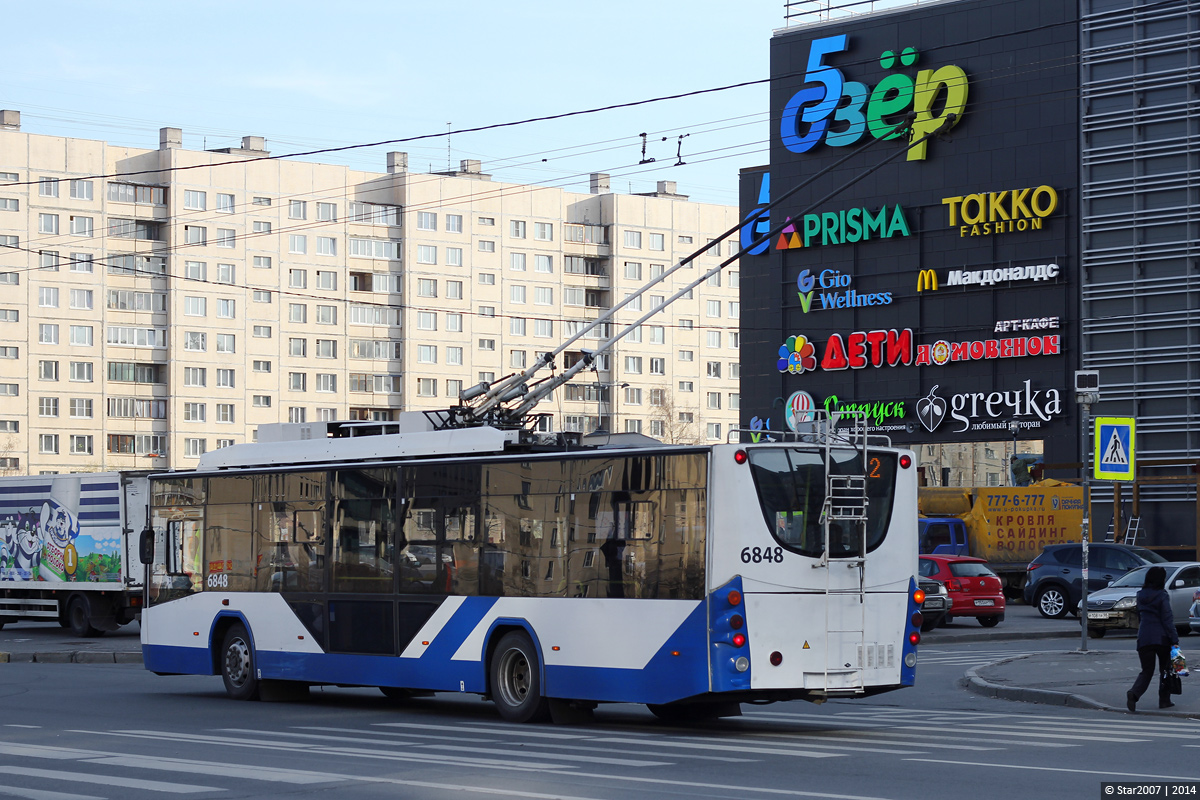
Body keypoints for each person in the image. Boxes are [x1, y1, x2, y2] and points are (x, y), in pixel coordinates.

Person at [1127, 566, 1179, 711]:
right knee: (1165, 670)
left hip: (1144, 638)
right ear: (1160, 580)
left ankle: (1134, 693)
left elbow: (1139, 616)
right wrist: (1174, 639)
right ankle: (1164, 700)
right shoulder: (1162, 595)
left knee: (1146, 670)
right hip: (1162, 638)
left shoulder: (1140, 595)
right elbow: (1167, 619)